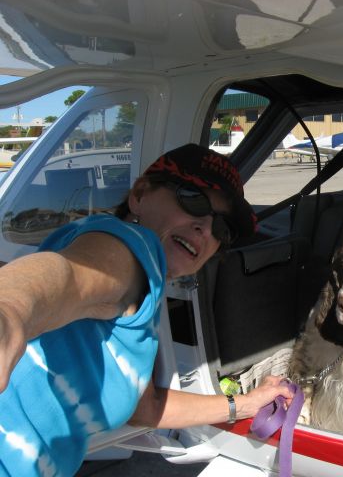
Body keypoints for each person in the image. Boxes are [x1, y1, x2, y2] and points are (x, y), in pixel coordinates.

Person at [0, 143, 293, 476]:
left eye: (223, 230)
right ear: (139, 194)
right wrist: (10, 311)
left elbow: (146, 409)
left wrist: (245, 403)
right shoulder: (128, 244)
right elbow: (71, 275)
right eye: (193, 199)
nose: (207, 229)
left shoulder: (145, 300)